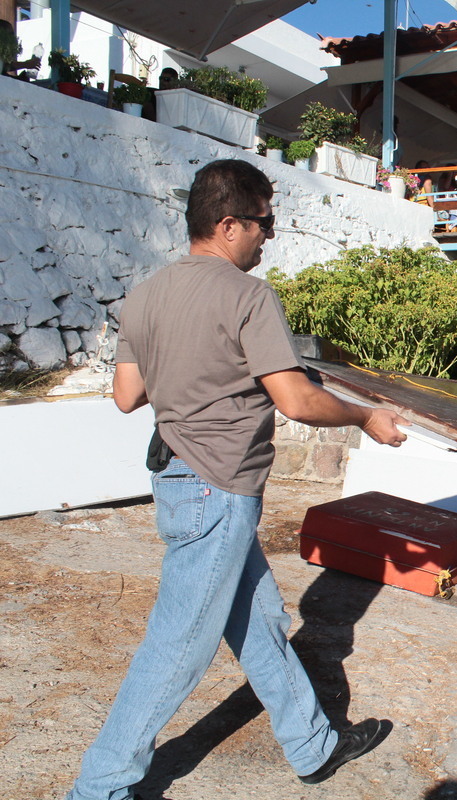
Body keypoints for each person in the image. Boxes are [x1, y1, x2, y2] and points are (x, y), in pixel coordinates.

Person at [65, 159, 408, 800]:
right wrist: (366, 417)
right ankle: (100, 786)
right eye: (263, 222)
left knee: (256, 618)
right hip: (218, 490)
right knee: (178, 644)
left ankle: (312, 744)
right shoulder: (248, 296)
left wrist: (187, 370)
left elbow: (126, 395)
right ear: (228, 225)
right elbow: (297, 400)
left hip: (176, 480)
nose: (268, 235)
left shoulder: (145, 294)